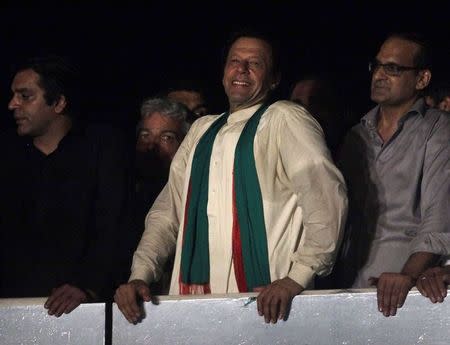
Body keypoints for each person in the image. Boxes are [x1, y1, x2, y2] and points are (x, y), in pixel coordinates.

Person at [115, 29, 347, 324]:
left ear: (274, 78)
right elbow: (167, 213)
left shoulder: (284, 119)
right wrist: (141, 274)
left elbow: (326, 198)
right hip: (195, 302)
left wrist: (296, 278)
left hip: (269, 304)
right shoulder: (200, 130)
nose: (242, 69)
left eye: (255, 63)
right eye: (235, 61)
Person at [0, 56, 130, 317]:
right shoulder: (8, 158)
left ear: (58, 102)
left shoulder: (101, 149)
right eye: (14, 95)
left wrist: (88, 285)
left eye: (25, 96)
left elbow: (115, 226)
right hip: (11, 311)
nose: (12, 104)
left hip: (84, 312)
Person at [336, 33, 450, 317]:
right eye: (376, 66)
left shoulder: (438, 129)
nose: (379, 75)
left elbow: (439, 218)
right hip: (348, 285)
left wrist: (407, 276)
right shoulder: (356, 135)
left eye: (393, 68)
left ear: (422, 79)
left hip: (407, 289)